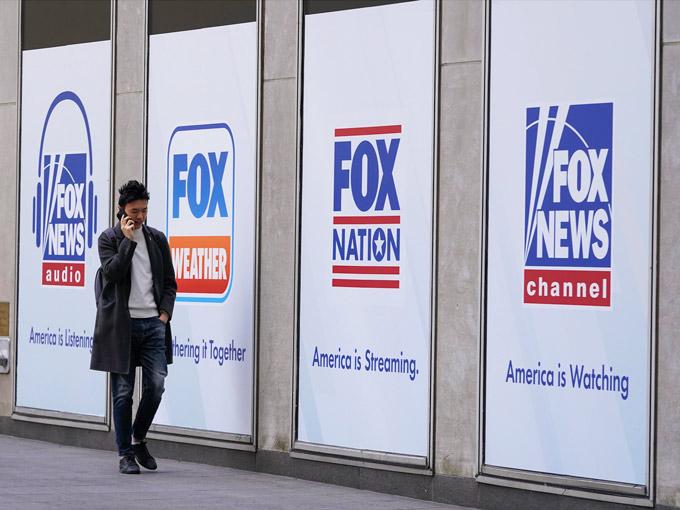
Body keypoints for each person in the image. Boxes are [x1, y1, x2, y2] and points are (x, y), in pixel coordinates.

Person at [90, 180, 177, 474]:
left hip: (153, 324)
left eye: (144, 211)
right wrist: (127, 242)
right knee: (123, 392)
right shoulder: (109, 239)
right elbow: (113, 273)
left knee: (157, 385)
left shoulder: (157, 239)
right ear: (122, 210)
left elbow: (169, 283)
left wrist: (164, 314)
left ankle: (138, 438)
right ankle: (125, 454)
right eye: (134, 211)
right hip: (121, 326)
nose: (140, 216)